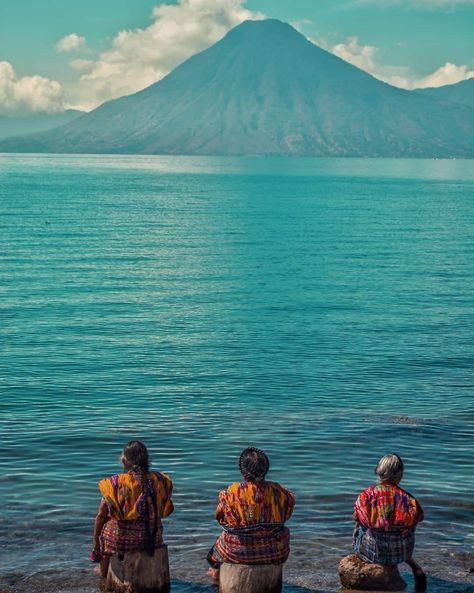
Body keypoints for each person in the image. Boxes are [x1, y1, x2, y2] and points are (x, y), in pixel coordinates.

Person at [207, 447, 295, 584]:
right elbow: (287, 515)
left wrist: (226, 520)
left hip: (237, 552)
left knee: (212, 556)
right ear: (266, 469)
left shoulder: (234, 492)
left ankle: (216, 577)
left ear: (243, 471)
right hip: (276, 552)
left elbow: (218, 514)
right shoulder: (280, 492)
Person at [91, 440, 174, 578]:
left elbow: (101, 515)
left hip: (122, 542)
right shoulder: (160, 480)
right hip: (153, 539)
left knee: (105, 524)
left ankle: (104, 574)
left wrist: (95, 541)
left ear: (124, 461)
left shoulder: (115, 483)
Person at [353, 453, 426, 591]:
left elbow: (356, 517)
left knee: (360, 523)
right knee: (409, 525)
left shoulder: (367, 496)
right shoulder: (409, 499)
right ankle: (411, 564)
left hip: (374, 554)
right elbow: (420, 517)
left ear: (379, 471)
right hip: (402, 553)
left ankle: (372, 560)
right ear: (400, 474)